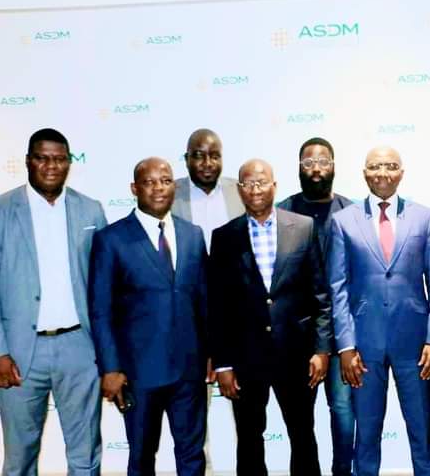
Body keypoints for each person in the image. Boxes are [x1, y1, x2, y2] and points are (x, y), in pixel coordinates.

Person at [0, 128, 106, 475]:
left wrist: (107, 350)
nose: (51, 166)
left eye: (59, 159)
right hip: (16, 352)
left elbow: (104, 286)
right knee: (20, 458)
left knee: (85, 454)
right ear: (28, 161)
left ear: (69, 163)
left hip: (80, 348)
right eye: (42, 158)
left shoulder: (90, 211)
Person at [328, 146, 430, 476]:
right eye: (375, 166)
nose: (383, 173)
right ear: (364, 173)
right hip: (363, 347)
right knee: (366, 434)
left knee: (422, 430)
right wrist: (346, 346)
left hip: (415, 345)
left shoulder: (424, 217)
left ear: (402, 172)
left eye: (391, 166)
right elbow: (338, 287)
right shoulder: (343, 221)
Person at [210, 159, 332, 476]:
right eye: (248, 183)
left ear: (274, 186)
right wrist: (223, 364)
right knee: (249, 438)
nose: (255, 189)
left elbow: (320, 295)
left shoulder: (303, 228)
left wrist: (321, 350)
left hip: (297, 354)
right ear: (239, 190)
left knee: (302, 434)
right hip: (246, 357)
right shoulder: (224, 237)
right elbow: (218, 306)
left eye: (262, 182)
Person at [89, 158, 209, 476]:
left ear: (175, 186)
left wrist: (212, 353)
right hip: (138, 373)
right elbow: (101, 310)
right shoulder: (111, 240)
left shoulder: (193, 235)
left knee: (193, 456)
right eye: (149, 182)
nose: (158, 188)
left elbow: (203, 300)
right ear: (134, 188)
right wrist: (110, 368)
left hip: (189, 370)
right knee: (142, 457)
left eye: (166, 181)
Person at [277, 136, 354, 476]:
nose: (316, 168)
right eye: (308, 162)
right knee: (300, 422)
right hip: (297, 337)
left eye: (323, 161)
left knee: (343, 412)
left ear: (334, 166)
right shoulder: (282, 212)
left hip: (342, 334)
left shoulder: (350, 213)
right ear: (299, 168)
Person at [171, 128, 244, 475]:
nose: (206, 163)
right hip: (188, 320)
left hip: (237, 319)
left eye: (214, 155)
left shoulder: (239, 191)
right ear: (186, 159)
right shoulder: (170, 193)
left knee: (247, 415)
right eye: (198, 155)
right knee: (193, 418)